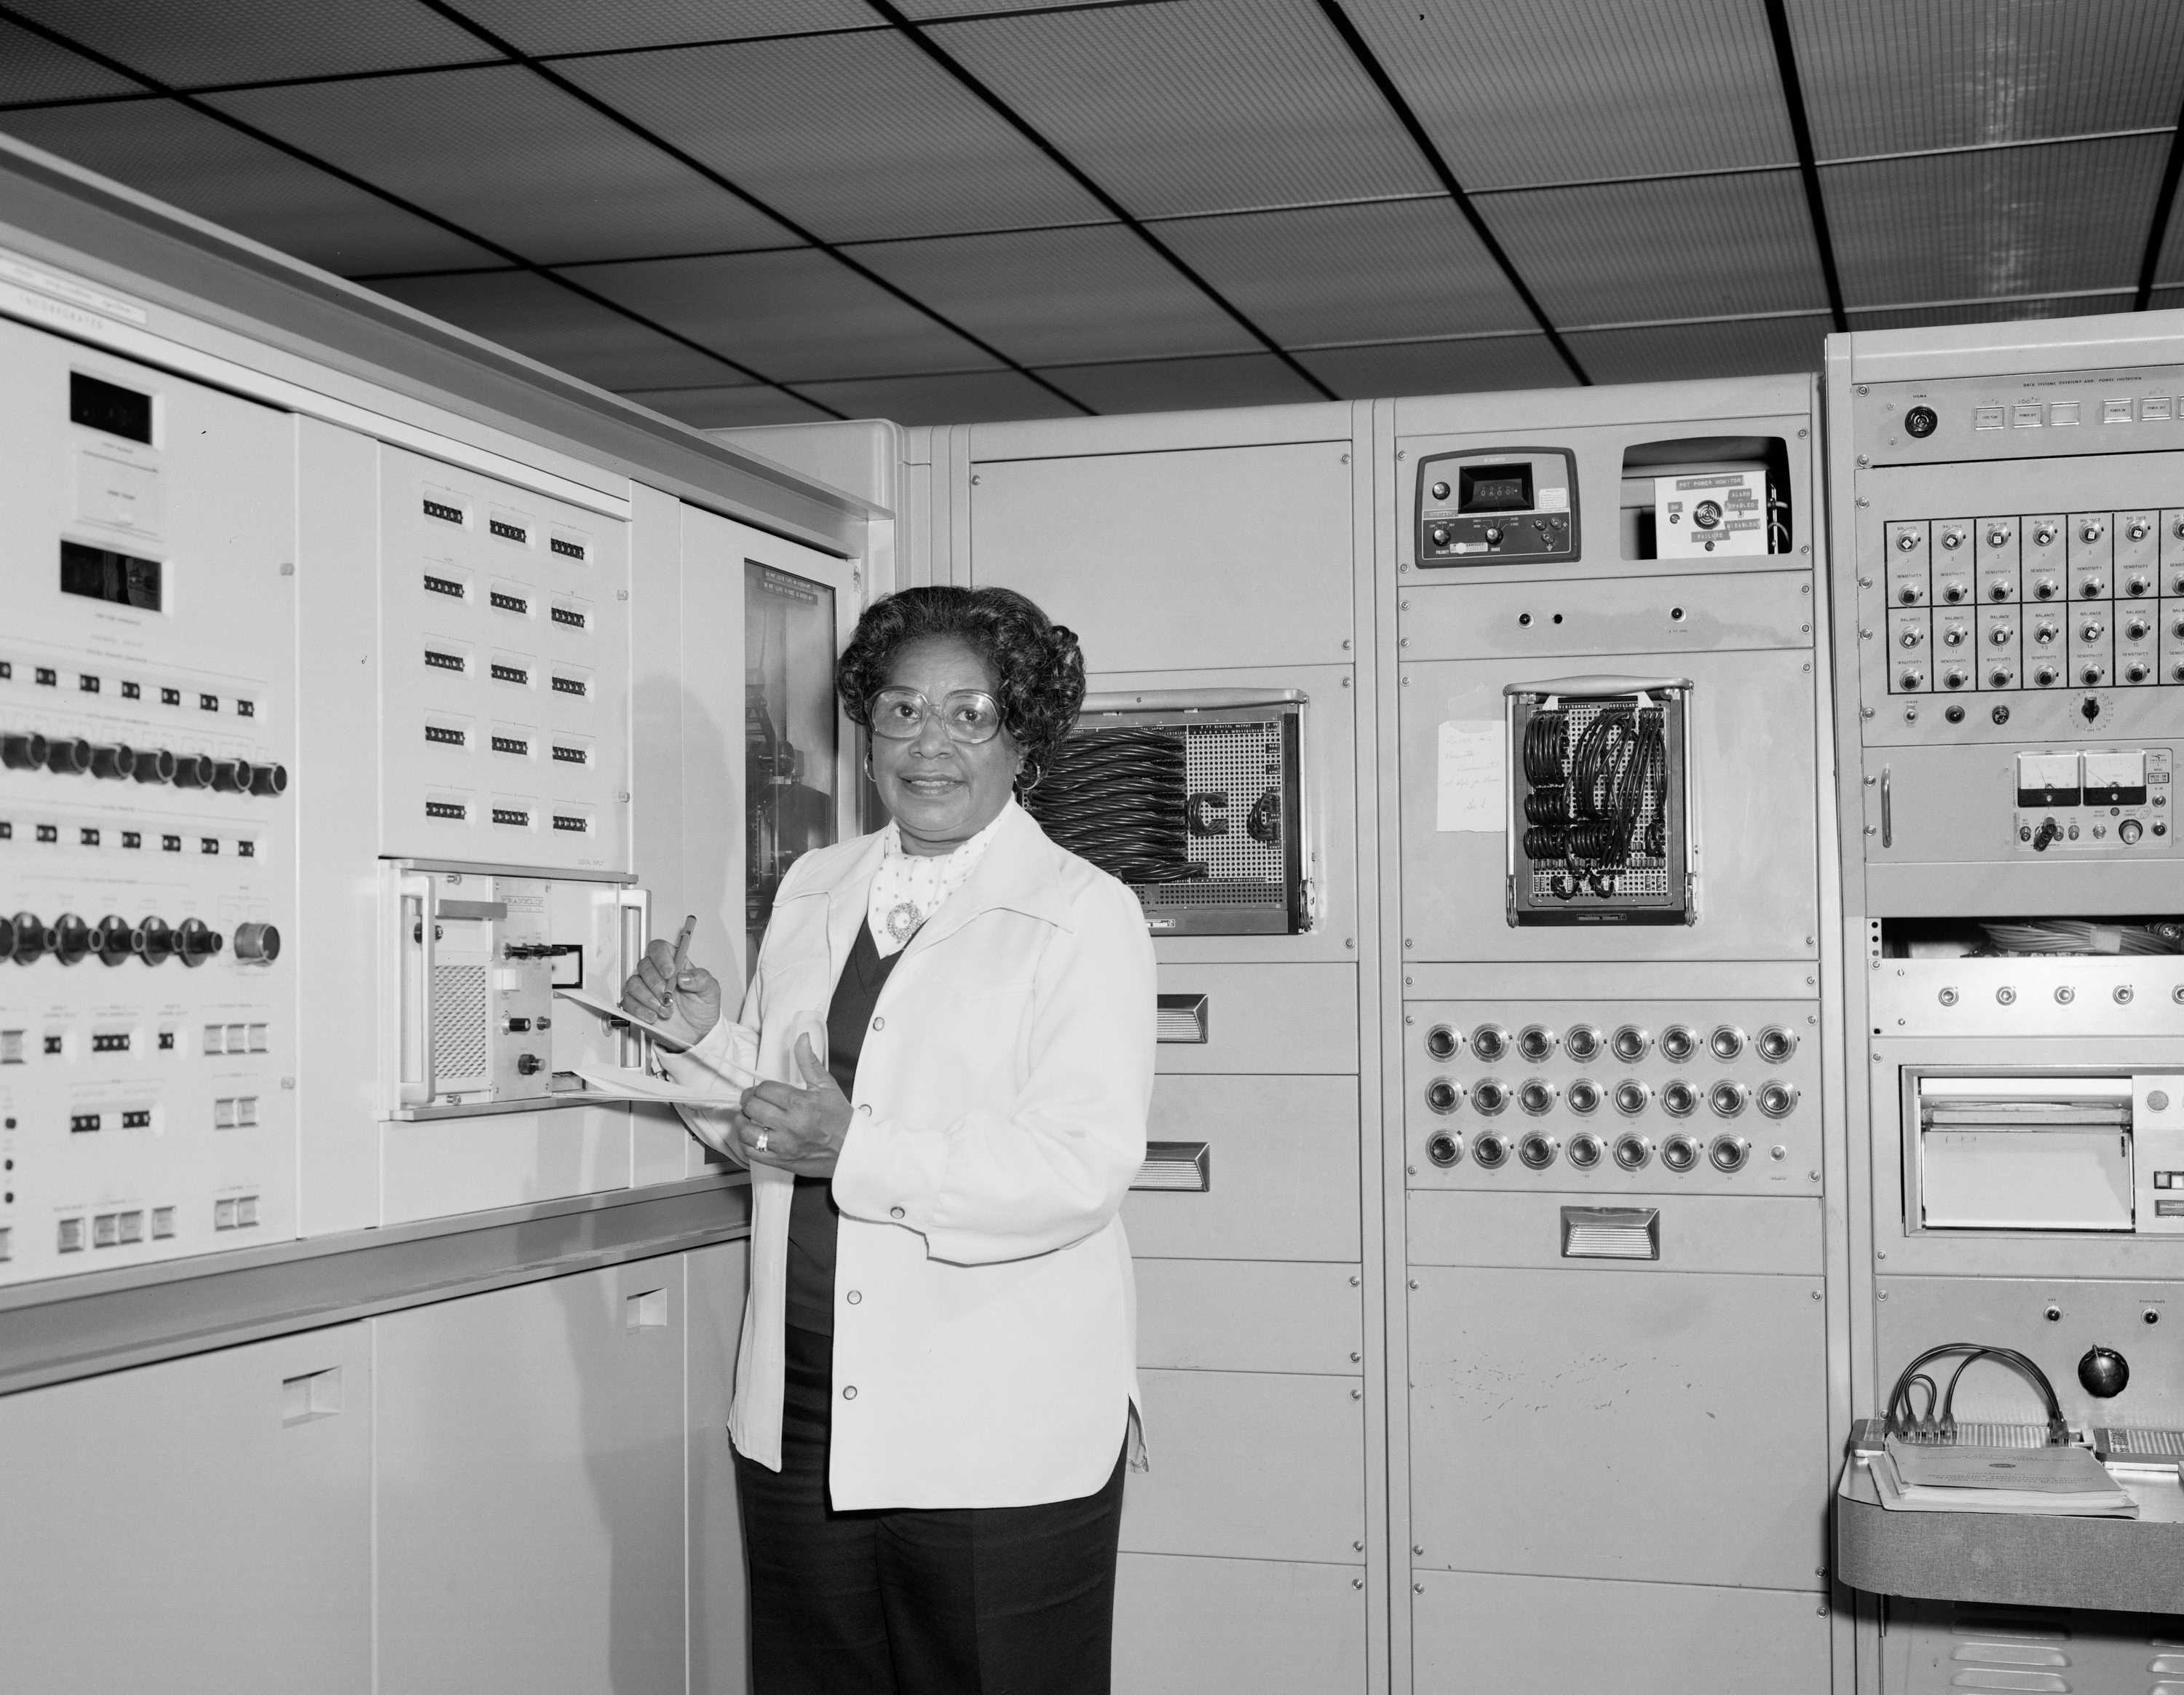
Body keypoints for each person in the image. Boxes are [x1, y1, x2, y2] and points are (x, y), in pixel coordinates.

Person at [620, 584, 1157, 1694]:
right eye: (903, 711)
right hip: (807, 1401)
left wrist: (852, 1150)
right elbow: (772, 1126)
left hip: (990, 1419)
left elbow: (1077, 1169)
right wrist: (696, 1041)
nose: (932, 744)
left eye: (973, 714)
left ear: (1025, 738)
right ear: (866, 731)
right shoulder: (817, 885)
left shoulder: (1081, 911)